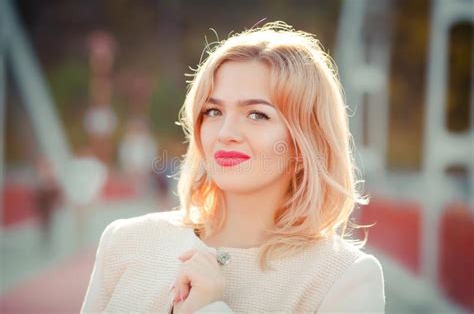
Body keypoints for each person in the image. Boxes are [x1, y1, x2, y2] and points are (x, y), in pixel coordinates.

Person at [81, 21, 385, 313]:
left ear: (305, 139)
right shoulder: (125, 242)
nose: (226, 132)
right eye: (213, 111)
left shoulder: (345, 277)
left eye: (256, 115)